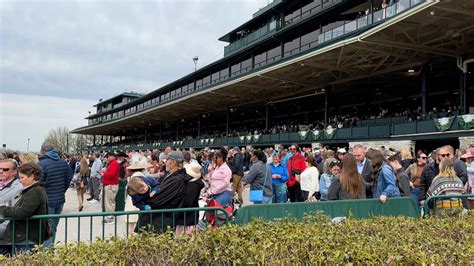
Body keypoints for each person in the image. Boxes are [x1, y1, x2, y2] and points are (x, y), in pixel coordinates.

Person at [0, 162, 48, 254]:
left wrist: (2, 209)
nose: (20, 180)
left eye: (22, 178)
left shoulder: (35, 191)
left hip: (27, 237)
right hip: (25, 236)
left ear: (32, 176)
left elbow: (23, 212)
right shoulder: (33, 189)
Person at [142, 151, 190, 234]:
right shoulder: (172, 176)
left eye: (166, 161)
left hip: (162, 222)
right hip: (160, 220)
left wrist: (144, 197)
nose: (165, 163)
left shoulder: (177, 180)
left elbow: (157, 199)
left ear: (173, 162)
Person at [38, 142, 72, 246]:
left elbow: (39, 183)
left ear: (42, 151)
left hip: (47, 202)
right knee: (53, 227)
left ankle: (47, 255)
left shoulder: (41, 164)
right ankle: (50, 249)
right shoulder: (63, 162)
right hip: (60, 200)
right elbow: (68, 178)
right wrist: (62, 190)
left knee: (46, 230)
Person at [177, 162, 205, 235]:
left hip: (187, 217)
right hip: (189, 216)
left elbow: (188, 201)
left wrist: (179, 209)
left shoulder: (193, 185)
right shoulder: (195, 183)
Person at [0, 159, 23, 237]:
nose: (1, 171)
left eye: (5, 169)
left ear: (14, 172)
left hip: (6, 236)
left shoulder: (19, 188)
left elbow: (14, 214)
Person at [101, 152, 120, 224]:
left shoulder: (114, 163)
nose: (107, 158)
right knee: (109, 202)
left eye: (108, 156)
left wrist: (104, 174)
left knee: (109, 202)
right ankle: (109, 217)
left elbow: (112, 174)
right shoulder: (113, 163)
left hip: (111, 185)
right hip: (111, 185)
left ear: (112, 156)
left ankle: (110, 218)